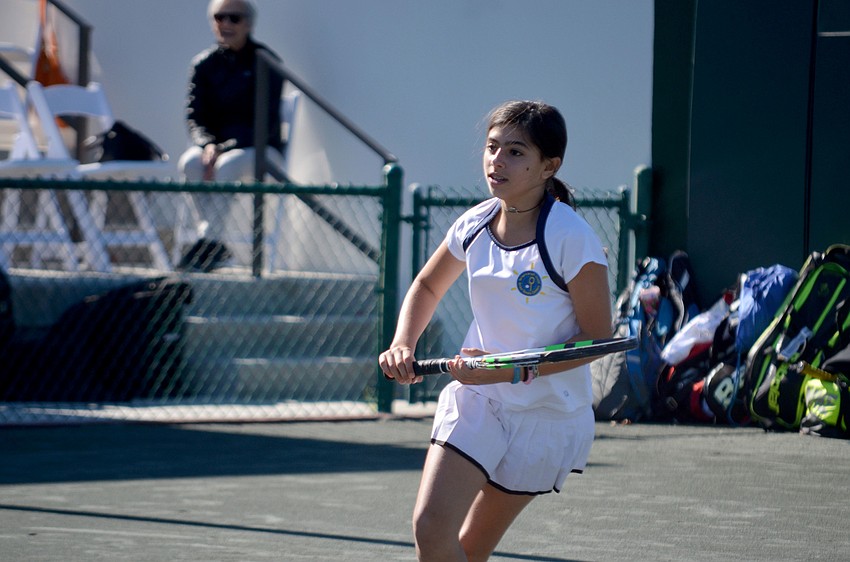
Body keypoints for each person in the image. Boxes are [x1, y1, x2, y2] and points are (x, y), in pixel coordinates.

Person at [378, 100, 613, 561]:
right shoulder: (474, 223)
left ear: (549, 166)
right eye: (491, 148)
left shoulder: (571, 236)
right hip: (479, 400)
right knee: (431, 529)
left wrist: (508, 372)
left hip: (547, 415)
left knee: (471, 548)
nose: (497, 161)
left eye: (515, 152)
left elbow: (596, 339)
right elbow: (427, 284)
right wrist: (403, 342)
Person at [176, 0, 285, 270]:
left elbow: (266, 123)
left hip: (259, 149)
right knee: (190, 163)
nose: (225, 24)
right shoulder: (204, 65)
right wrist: (206, 144)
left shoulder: (266, 62)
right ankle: (214, 246)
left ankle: (207, 244)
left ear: (248, 23)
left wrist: (223, 148)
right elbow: (195, 116)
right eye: (219, 17)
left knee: (228, 165)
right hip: (217, 147)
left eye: (234, 18)